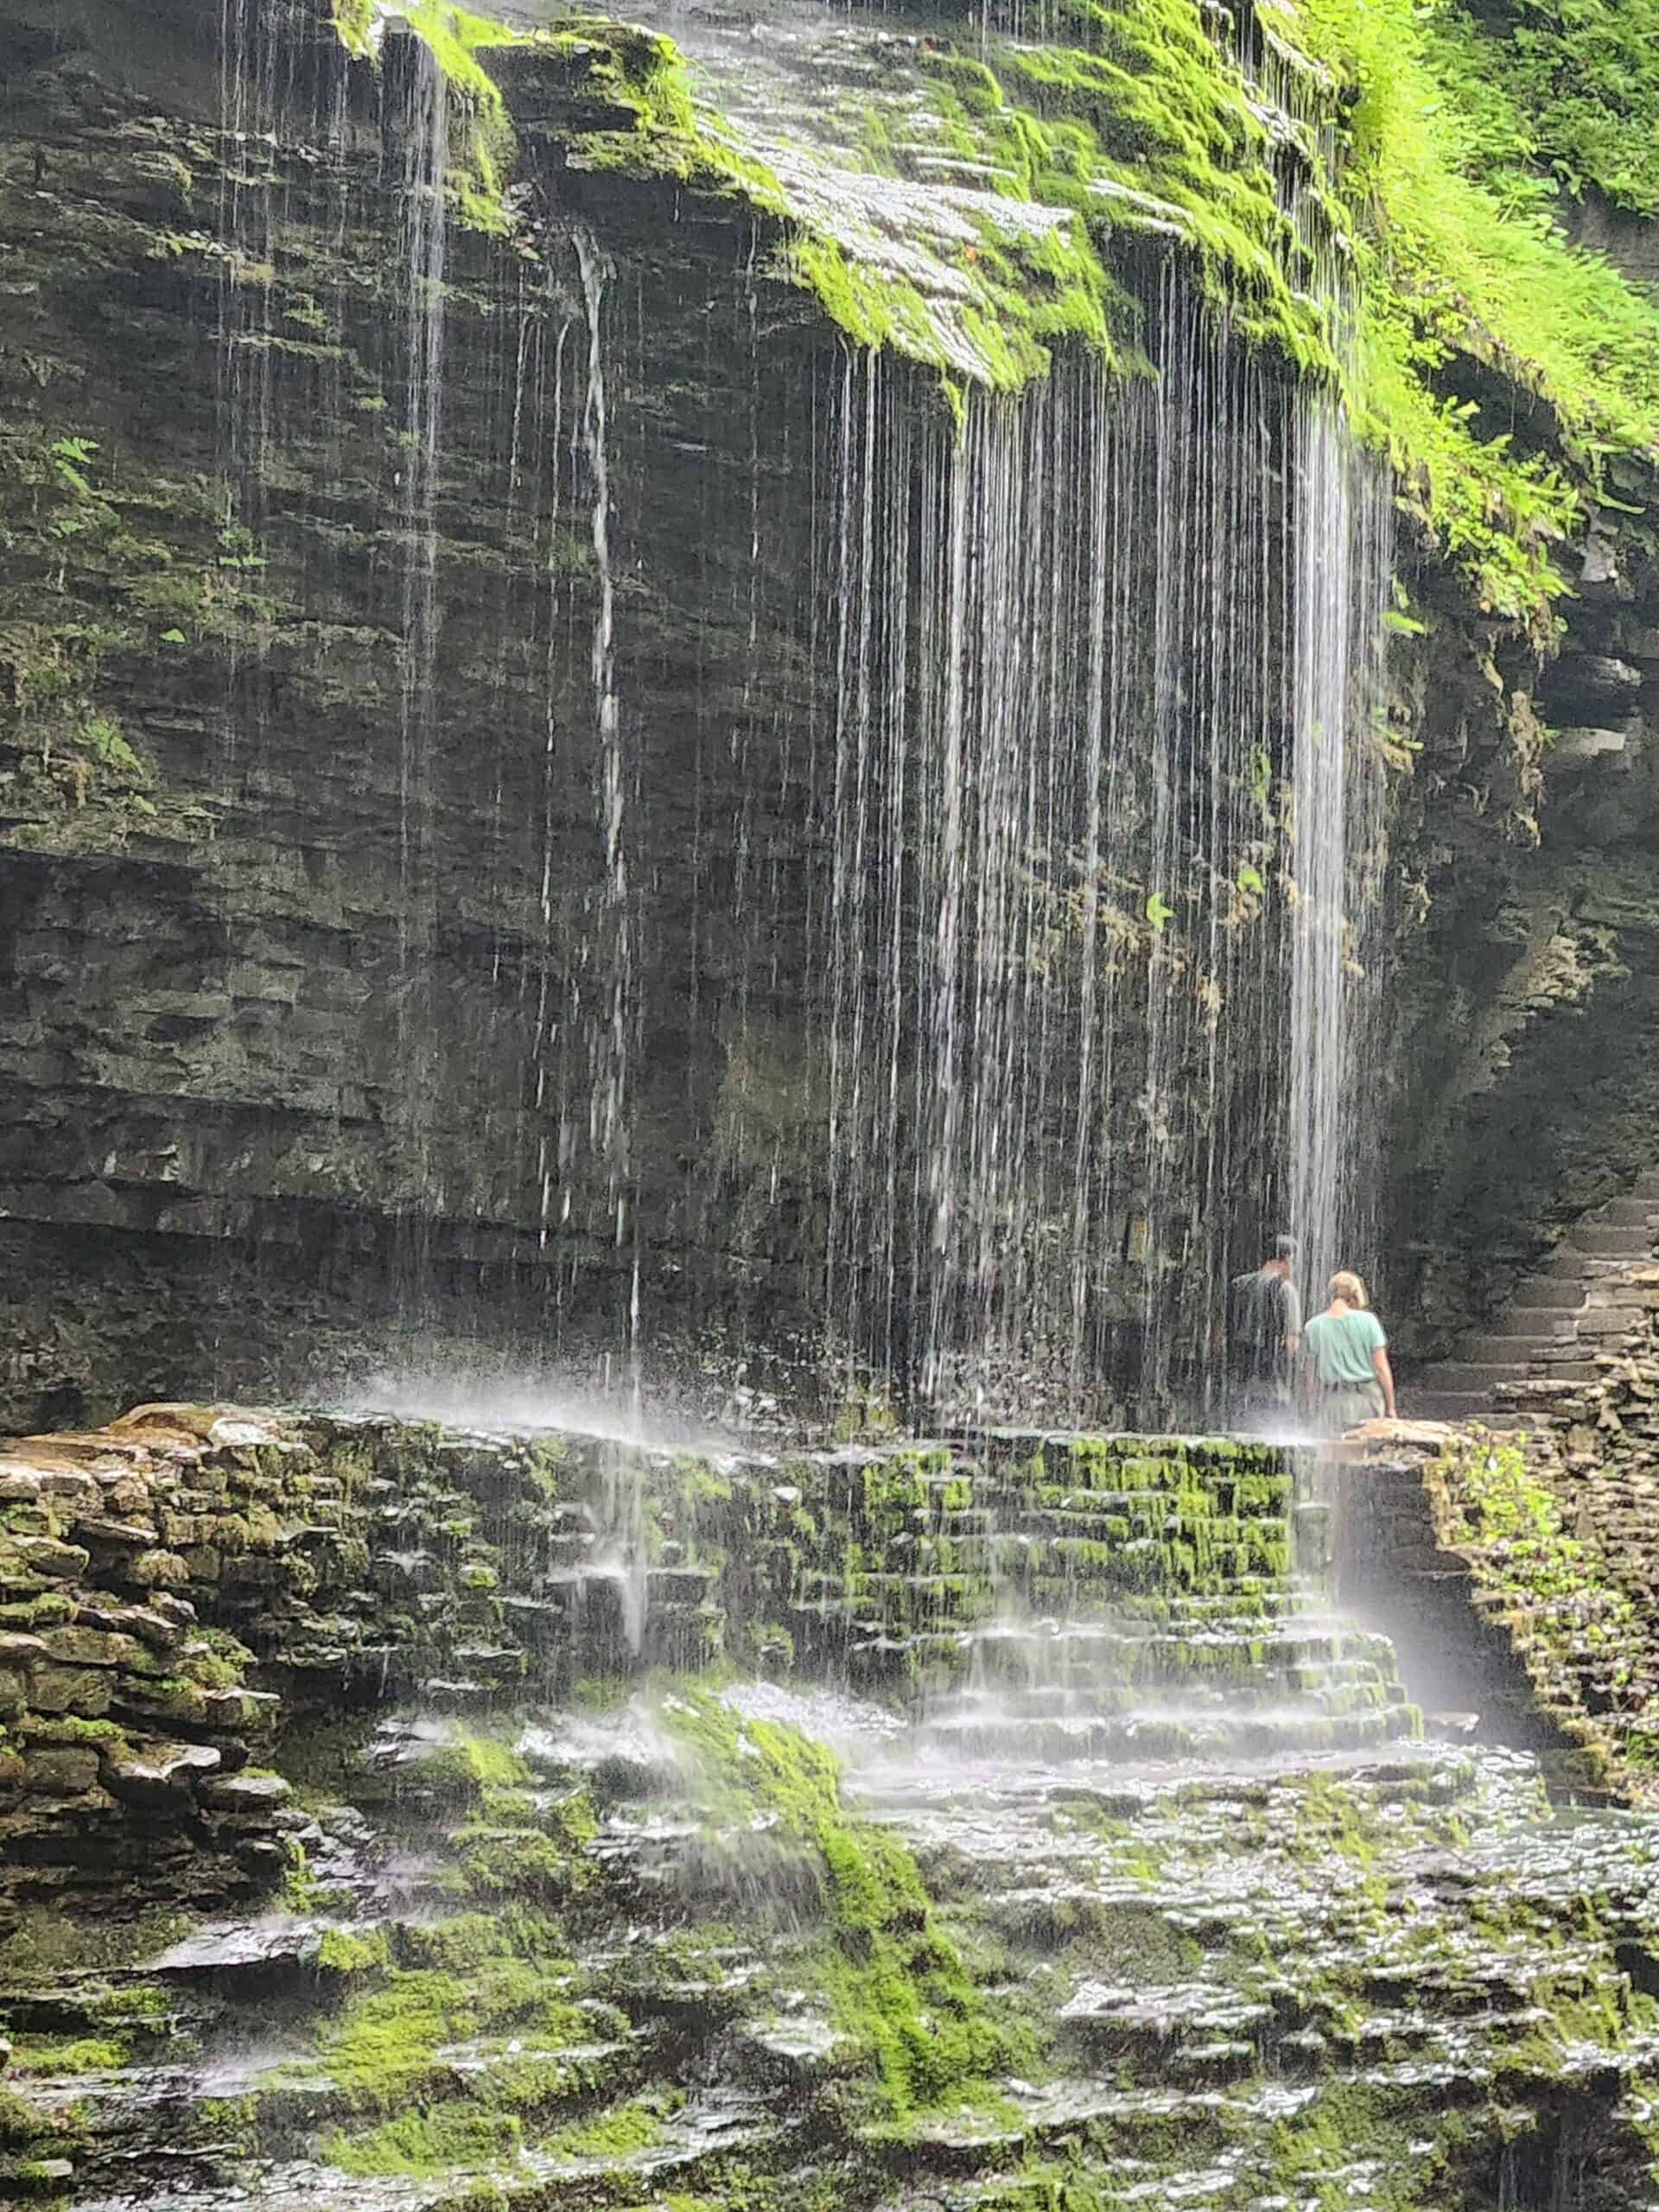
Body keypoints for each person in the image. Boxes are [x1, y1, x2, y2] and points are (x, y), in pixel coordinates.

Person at [1301, 1270, 1396, 1433]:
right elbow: (1381, 1368)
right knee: (1367, 1452)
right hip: (1368, 1400)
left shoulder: (1312, 1326)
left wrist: (1310, 1407)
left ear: (1330, 1295)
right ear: (1355, 1295)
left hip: (1331, 1402)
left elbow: (1308, 1375)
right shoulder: (1369, 1321)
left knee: (1333, 1452)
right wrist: (1391, 1408)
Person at [1228, 1236, 1303, 1415]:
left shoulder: (1238, 1284)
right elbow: (1292, 1343)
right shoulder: (1285, 1289)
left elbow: (1222, 1334)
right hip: (1273, 1388)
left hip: (1240, 1386)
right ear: (1286, 1259)